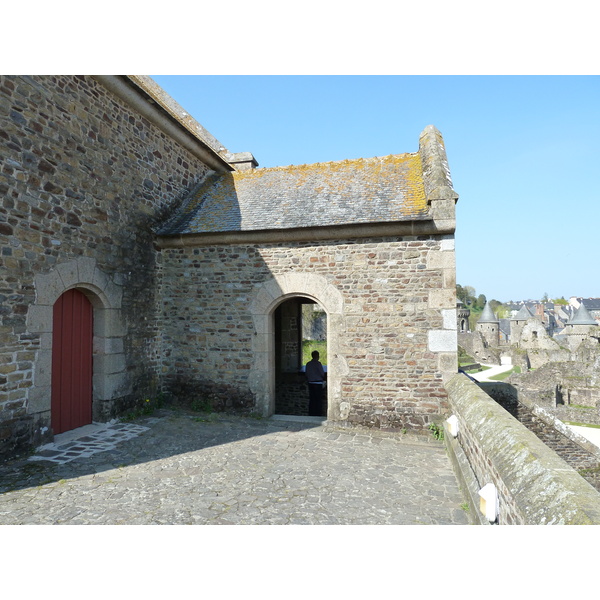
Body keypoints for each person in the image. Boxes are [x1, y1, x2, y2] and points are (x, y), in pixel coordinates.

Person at [305, 350, 326, 416]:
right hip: (318, 383)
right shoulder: (318, 364)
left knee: (312, 399)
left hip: (310, 383)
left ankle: (311, 413)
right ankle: (318, 413)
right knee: (318, 400)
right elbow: (322, 373)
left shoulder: (308, 364)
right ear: (317, 356)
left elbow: (307, 373)